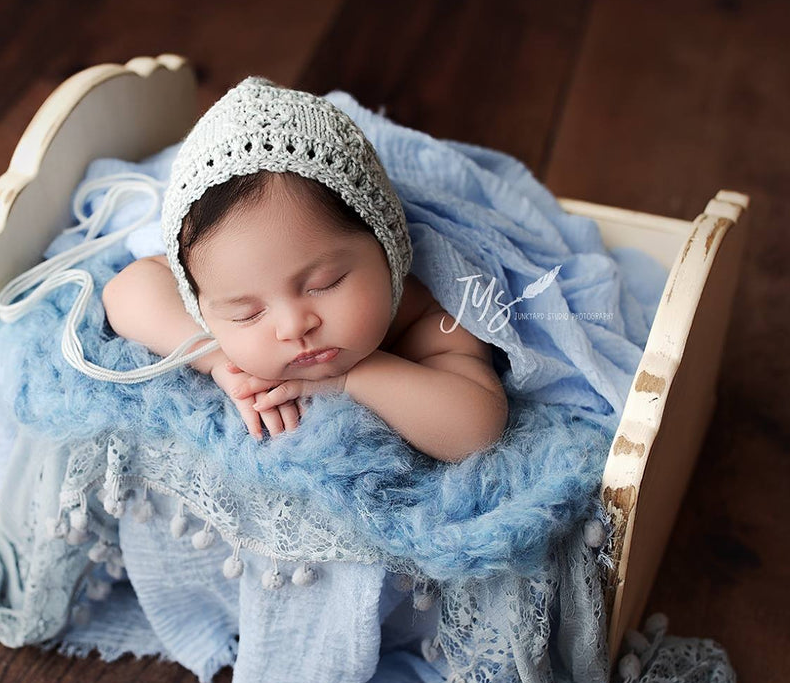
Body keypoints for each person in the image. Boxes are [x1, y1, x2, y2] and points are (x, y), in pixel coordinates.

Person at [102, 76, 507, 463]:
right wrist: (223, 363)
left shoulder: (426, 310)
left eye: (324, 284)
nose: (293, 326)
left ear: (388, 250)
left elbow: (478, 427)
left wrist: (351, 379)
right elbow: (125, 291)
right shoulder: (224, 271)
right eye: (247, 313)